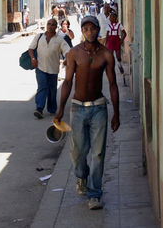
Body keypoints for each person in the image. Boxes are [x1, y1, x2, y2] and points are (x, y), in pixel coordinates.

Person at [55, 16, 120, 210]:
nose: (90, 32)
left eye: (93, 29)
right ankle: (81, 177)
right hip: (78, 108)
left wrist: (116, 113)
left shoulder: (106, 54)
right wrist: (60, 109)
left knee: (98, 153)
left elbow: (113, 85)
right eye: (86, 28)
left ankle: (94, 194)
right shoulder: (74, 53)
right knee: (78, 152)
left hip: (99, 107)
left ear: (98, 30)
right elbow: (67, 83)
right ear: (82, 31)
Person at [28, 18, 70, 119]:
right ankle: (39, 108)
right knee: (42, 87)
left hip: (53, 69)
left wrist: (67, 59)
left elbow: (67, 51)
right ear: (46, 25)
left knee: (52, 90)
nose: (50, 26)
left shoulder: (60, 40)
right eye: (49, 24)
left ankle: (52, 109)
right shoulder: (39, 36)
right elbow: (31, 48)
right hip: (40, 67)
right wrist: (33, 58)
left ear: (56, 27)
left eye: (53, 24)